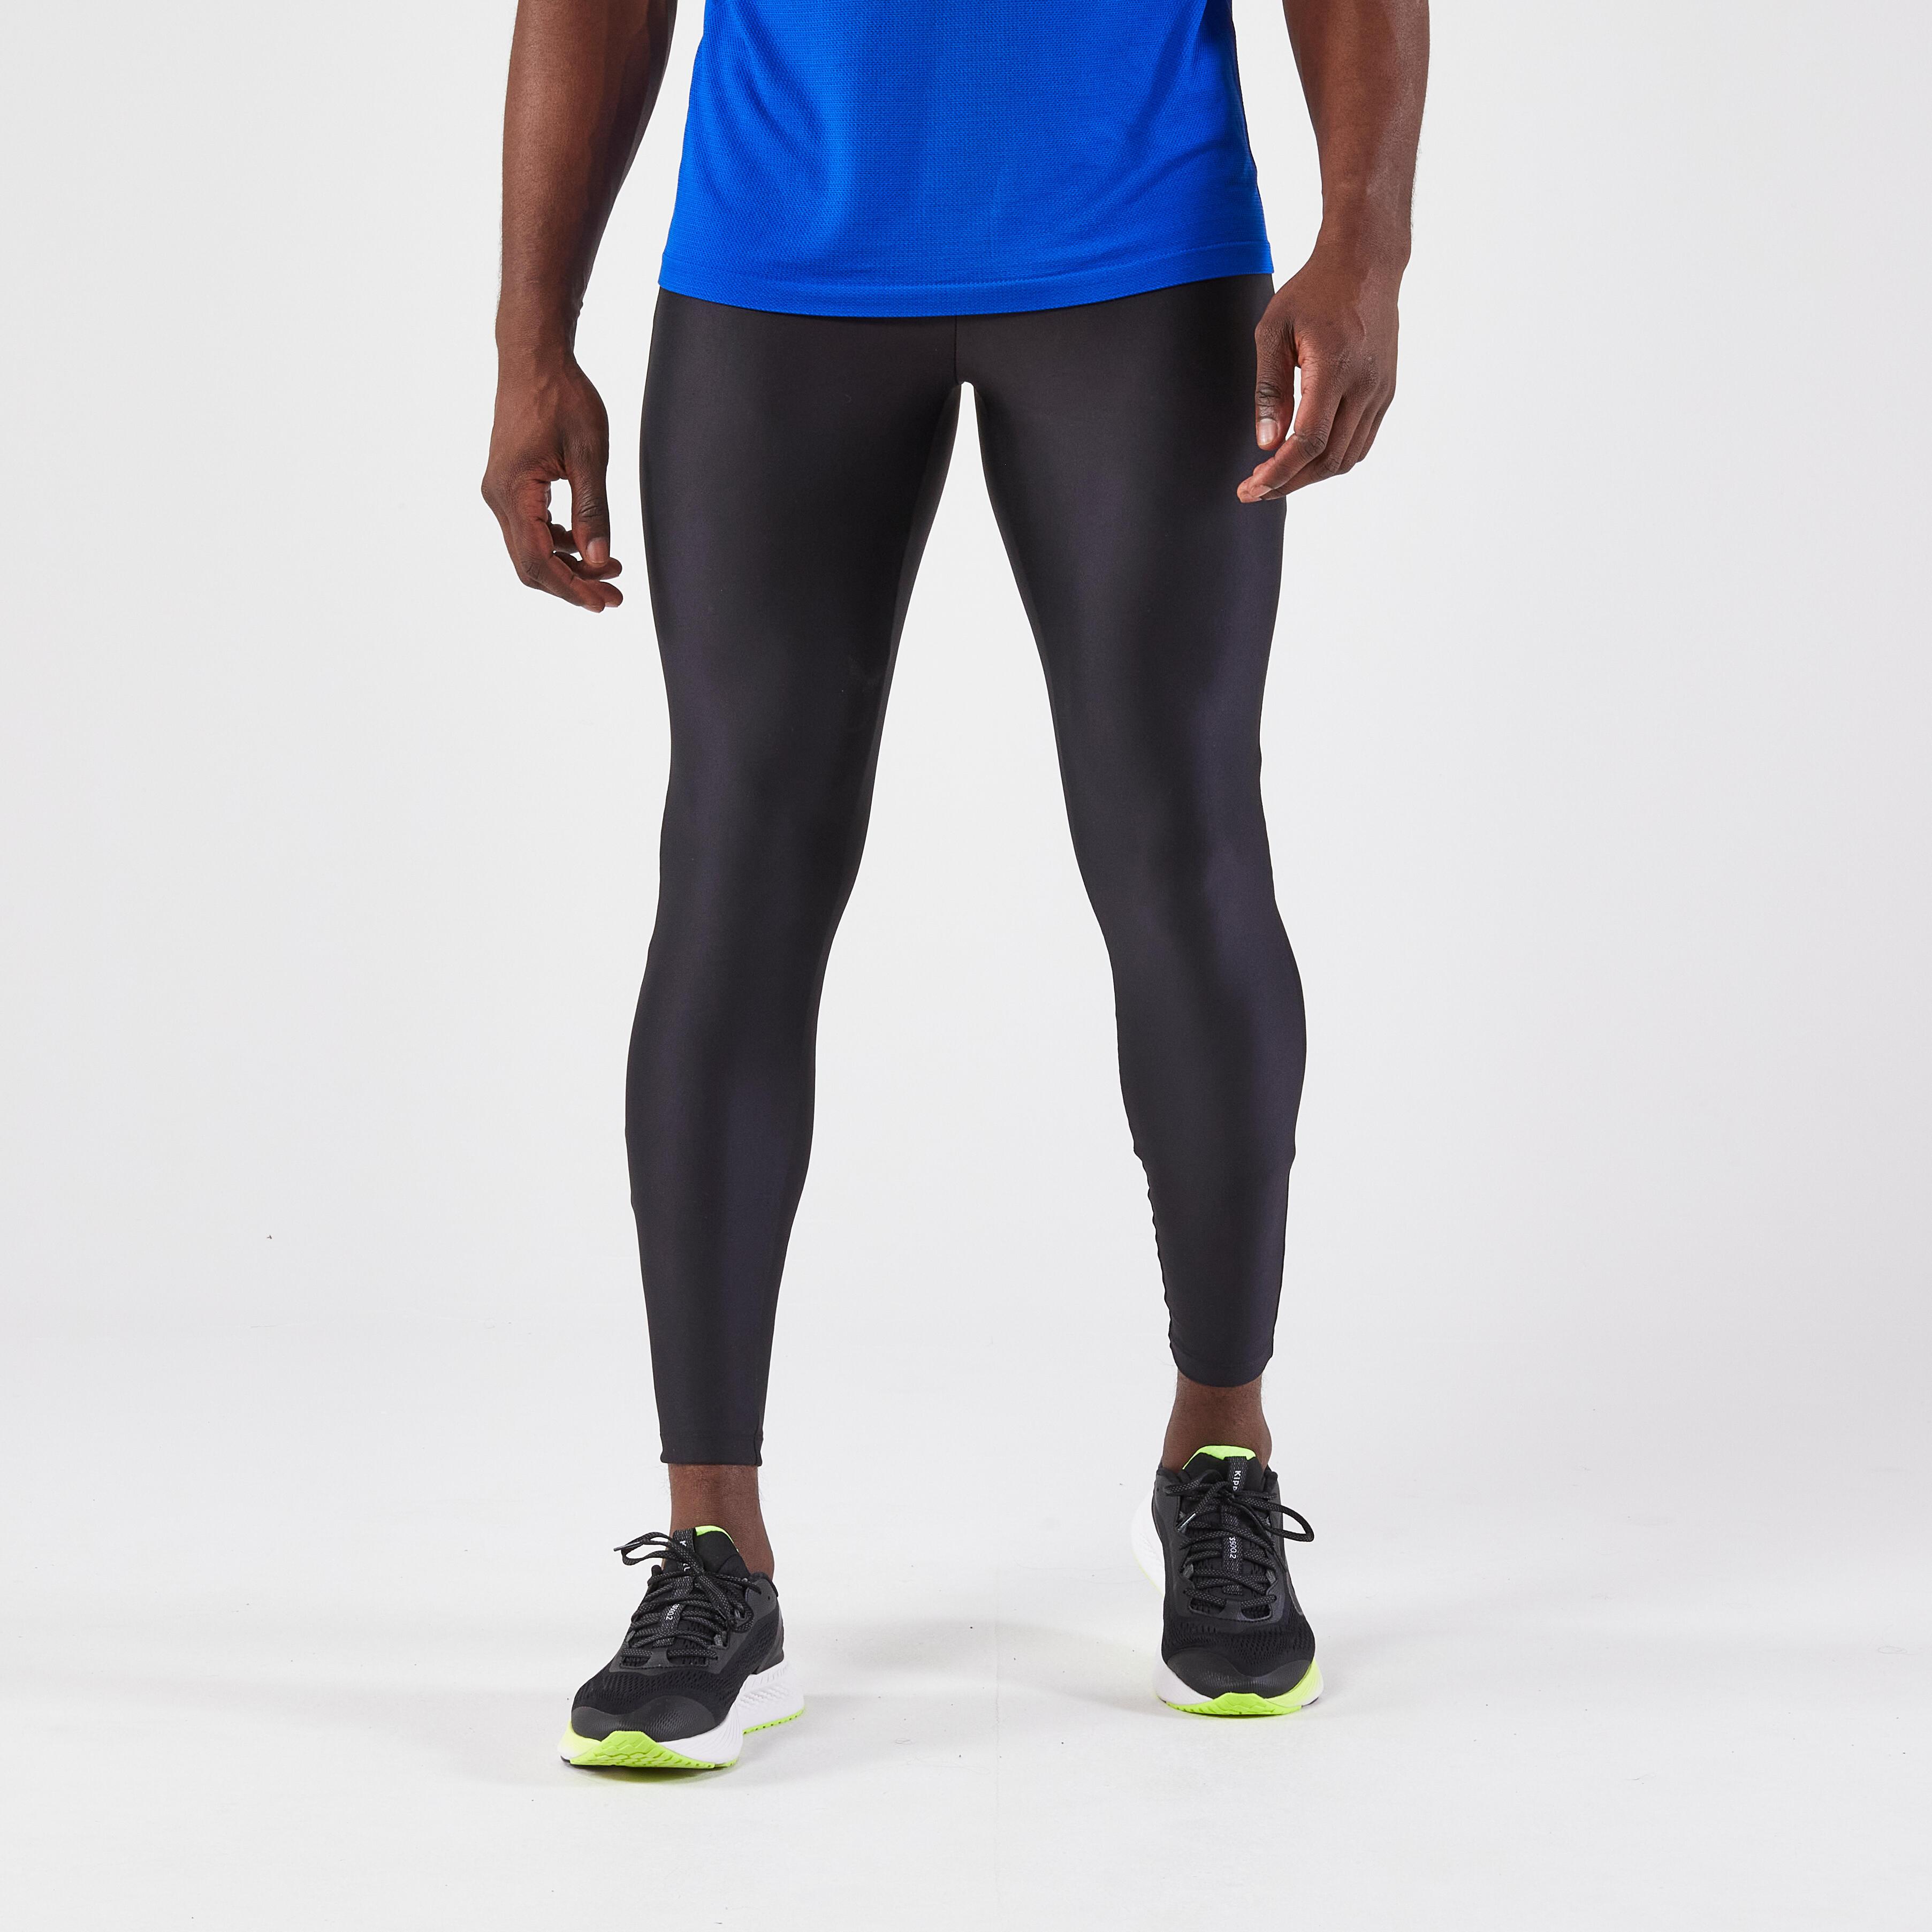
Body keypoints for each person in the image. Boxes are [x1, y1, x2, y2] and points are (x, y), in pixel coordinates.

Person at [483, 0, 1428, 1771]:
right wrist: (533, 337)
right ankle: (714, 1545)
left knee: (1178, 846)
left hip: (1139, 257)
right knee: (736, 869)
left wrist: (1361, 244)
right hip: (777, 263)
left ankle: (1218, 1452)